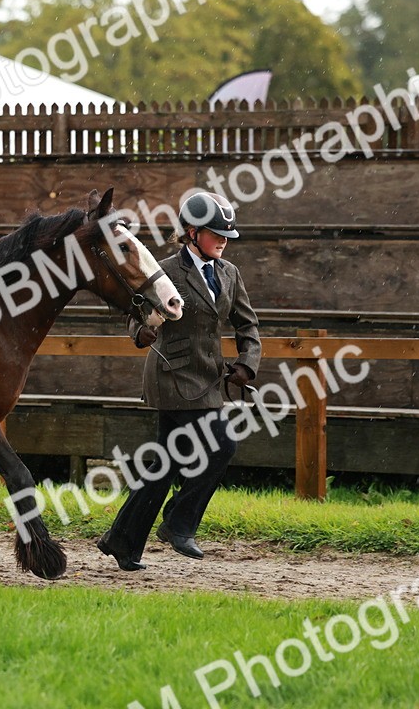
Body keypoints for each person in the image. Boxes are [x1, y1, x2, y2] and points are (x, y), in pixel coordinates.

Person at [98, 191, 260, 571]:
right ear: (191, 232)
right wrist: (141, 332)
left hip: (208, 379)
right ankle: (178, 524)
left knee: (166, 463)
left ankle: (122, 540)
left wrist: (247, 364)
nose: (222, 240)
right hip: (172, 375)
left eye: (226, 235)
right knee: (221, 446)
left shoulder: (229, 274)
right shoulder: (165, 270)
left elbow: (247, 324)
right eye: (215, 233)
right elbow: (134, 313)